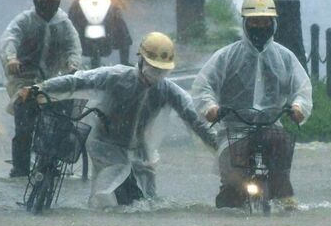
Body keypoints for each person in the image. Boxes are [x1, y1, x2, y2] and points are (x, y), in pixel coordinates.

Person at [21, 32, 217, 207]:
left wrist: (218, 145)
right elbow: (78, 80)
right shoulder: (116, 76)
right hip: (105, 146)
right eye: (153, 68)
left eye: (162, 71)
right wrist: (40, 88)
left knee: (148, 204)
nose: (156, 75)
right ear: (140, 61)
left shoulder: (169, 91)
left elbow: (195, 120)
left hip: (140, 154)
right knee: (111, 196)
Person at [191, 0, 312, 209]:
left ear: (273, 24)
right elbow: (203, 85)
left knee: (281, 169)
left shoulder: (285, 57)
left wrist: (298, 107)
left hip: (271, 125)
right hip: (234, 128)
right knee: (231, 183)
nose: (260, 27)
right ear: (246, 23)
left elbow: (302, 87)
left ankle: (285, 199)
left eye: (265, 21)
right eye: (254, 22)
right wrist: (211, 108)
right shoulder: (227, 56)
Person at [0, 0, 82, 178]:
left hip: (53, 79)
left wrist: (73, 64)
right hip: (24, 80)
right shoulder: (25, 21)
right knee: (24, 125)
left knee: (61, 119)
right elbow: (10, 38)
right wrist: (11, 59)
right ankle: (20, 168)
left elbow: (74, 46)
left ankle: (51, 163)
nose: (49, 4)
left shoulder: (63, 22)